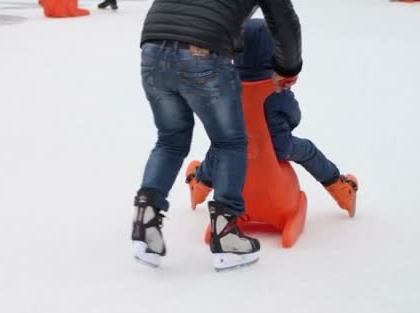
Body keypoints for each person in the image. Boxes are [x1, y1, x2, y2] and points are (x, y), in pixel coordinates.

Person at [131, 1, 302, 271]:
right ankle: (227, 234)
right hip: (203, 51)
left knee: (170, 140)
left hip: (153, 46)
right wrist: (288, 67)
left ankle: (146, 218)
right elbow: (283, 20)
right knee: (230, 142)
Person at [186, 19, 359, 220]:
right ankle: (341, 190)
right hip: (279, 146)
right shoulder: (276, 87)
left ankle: (198, 188)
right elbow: (293, 116)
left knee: (217, 151)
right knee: (309, 151)